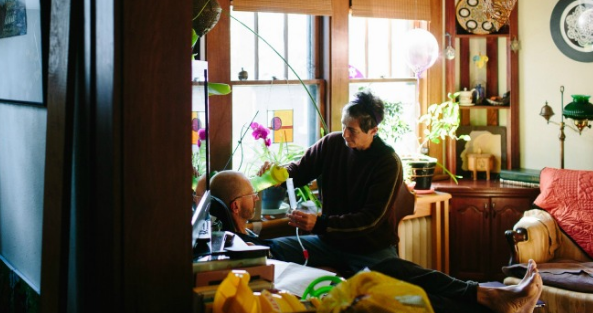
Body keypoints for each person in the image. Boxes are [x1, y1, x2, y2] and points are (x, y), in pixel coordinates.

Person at [209, 170, 544, 313]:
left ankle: (486, 294)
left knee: (396, 268)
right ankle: (486, 300)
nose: (258, 197)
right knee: (391, 283)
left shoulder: (247, 236)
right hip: (313, 269)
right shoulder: (245, 250)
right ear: (235, 206)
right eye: (253, 194)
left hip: (338, 243)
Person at [260, 90, 403, 275]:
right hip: (328, 243)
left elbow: (370, 220)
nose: (344, 134)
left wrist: (320, 224)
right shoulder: (332, 143)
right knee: (269, 250)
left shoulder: (388, 162)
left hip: (371, 249)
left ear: (373, 131)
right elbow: (299, 171)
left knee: (384, 296)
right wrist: (276, 175)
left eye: (352, 130)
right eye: (344, 126)